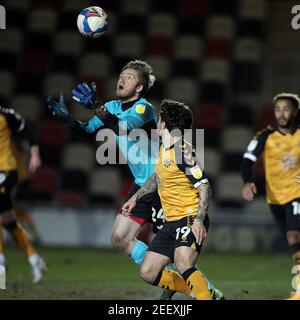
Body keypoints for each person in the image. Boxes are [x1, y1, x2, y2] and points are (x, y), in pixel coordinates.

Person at [47, 60, 223, 299]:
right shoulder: (111, 106)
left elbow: (123, 127)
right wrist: (67, 119)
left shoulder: (144, 109)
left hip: (164, 183)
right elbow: (88, 131)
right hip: (143, 184)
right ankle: (185, 284)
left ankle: (199, 291)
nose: (122, 79)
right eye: (121, 74)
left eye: (129, 77)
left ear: (139, 87)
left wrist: (96, 106)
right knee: (120, 237)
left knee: (179, 253)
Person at [122, 99, 216, 300]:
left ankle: (206, 296)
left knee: (183, 262)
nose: (157, 121)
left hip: (189, 216)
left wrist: (199, 219)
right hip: (171, 221)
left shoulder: (182, 151)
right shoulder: (165, 148)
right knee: (147, 271)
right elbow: (157, 177)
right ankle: (202, 293)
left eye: (159, 118)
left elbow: (205, 186)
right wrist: (136, 198)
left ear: (164, 123)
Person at [241, 93, 300, 300]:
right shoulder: (264, 136)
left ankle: (299, 290)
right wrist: (248, 181)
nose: (281, 114)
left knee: (294, 236)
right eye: (278, 109)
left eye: (286, 109)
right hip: (275, 198)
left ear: (294, 112)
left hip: (297, 194)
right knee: (292, 242)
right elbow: (248, 161)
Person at [0, 106, 46, 283]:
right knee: (7, 219)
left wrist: (35, 155)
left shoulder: (6, 115)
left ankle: (1, 265)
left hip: (7, 170)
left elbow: (27, 128)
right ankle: (35, 259)